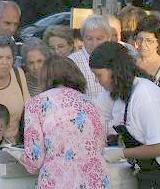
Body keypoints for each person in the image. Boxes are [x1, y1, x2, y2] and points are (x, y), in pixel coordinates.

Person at [89, 41, 160, 189]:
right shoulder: (112, 93)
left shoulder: (145, 96)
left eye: (99, 75)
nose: (97, 81)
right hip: (151, 173)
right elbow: (95, 118)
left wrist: (122, 153)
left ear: (115, 71)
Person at [20, 55, 111, 189]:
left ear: (45, 77)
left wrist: (22, 158)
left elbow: (34, 159)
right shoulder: (92, 104)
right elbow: (99, 147)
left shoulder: (36, 104)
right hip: (96, 180)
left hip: (59, 181)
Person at [68, 14, 112, 101]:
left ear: (108, 38)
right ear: (83, 39)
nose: (94, 44)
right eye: (89, 39)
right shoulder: (72, 62)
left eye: (99, 39)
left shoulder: (116, 58)